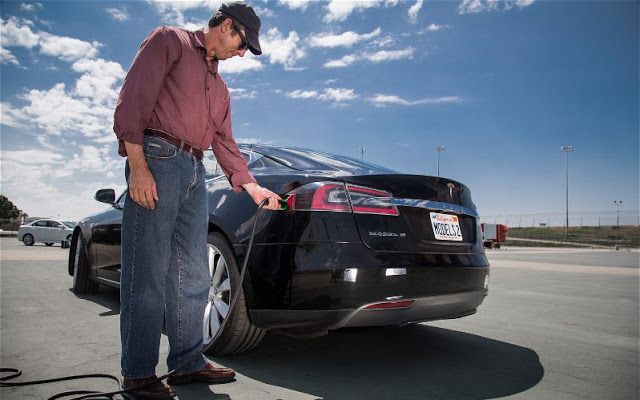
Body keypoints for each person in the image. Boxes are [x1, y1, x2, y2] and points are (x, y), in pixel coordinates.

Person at [113, 2, 280, 399]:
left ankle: (187, 364)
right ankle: (138, 372)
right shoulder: (168, 41)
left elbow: (225, 143)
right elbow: (132, 101)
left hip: (195, 171)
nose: (242, 54)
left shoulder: (221, 90)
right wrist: (138, 167)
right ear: (226, 26)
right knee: (147, 270)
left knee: (193, 274)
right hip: (157, 158)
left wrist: (253, 187)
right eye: (243, 44)